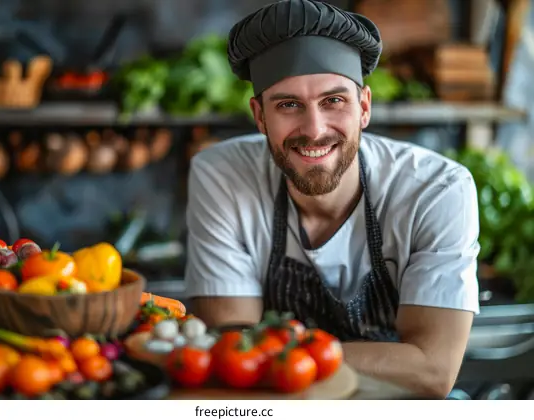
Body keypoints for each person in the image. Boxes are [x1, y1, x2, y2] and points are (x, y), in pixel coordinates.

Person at [184, 0, 480, 399]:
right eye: (289, 105)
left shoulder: (436, 190)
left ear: (363, 107)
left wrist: (288, 353)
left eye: (333, 101)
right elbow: (233, 348)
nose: (314, 129)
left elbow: (432, 372)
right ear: (259, 116)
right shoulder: (221, 175)